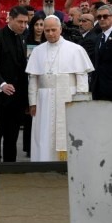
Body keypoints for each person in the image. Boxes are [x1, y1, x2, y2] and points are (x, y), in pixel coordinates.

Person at [26, 16, 93, 161]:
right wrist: (32, 102)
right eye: (47, 30)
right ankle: (44, 162)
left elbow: (82, 79)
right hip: (44, 101)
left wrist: (81, 102)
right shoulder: (37, 51)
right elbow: (33, 79)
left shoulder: (75, 49)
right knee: (44, 134)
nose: (50, 33)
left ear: (60, 29)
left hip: (68, 98)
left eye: (53, 30)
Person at [0, 5, 31, 162]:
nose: (23, 25)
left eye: (25, 22)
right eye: (20, 22)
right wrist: (2, 84)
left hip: (18, 100)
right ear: (9, 19)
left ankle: (10, 169)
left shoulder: (25, 38)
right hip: (0, 99)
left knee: (12, 137)